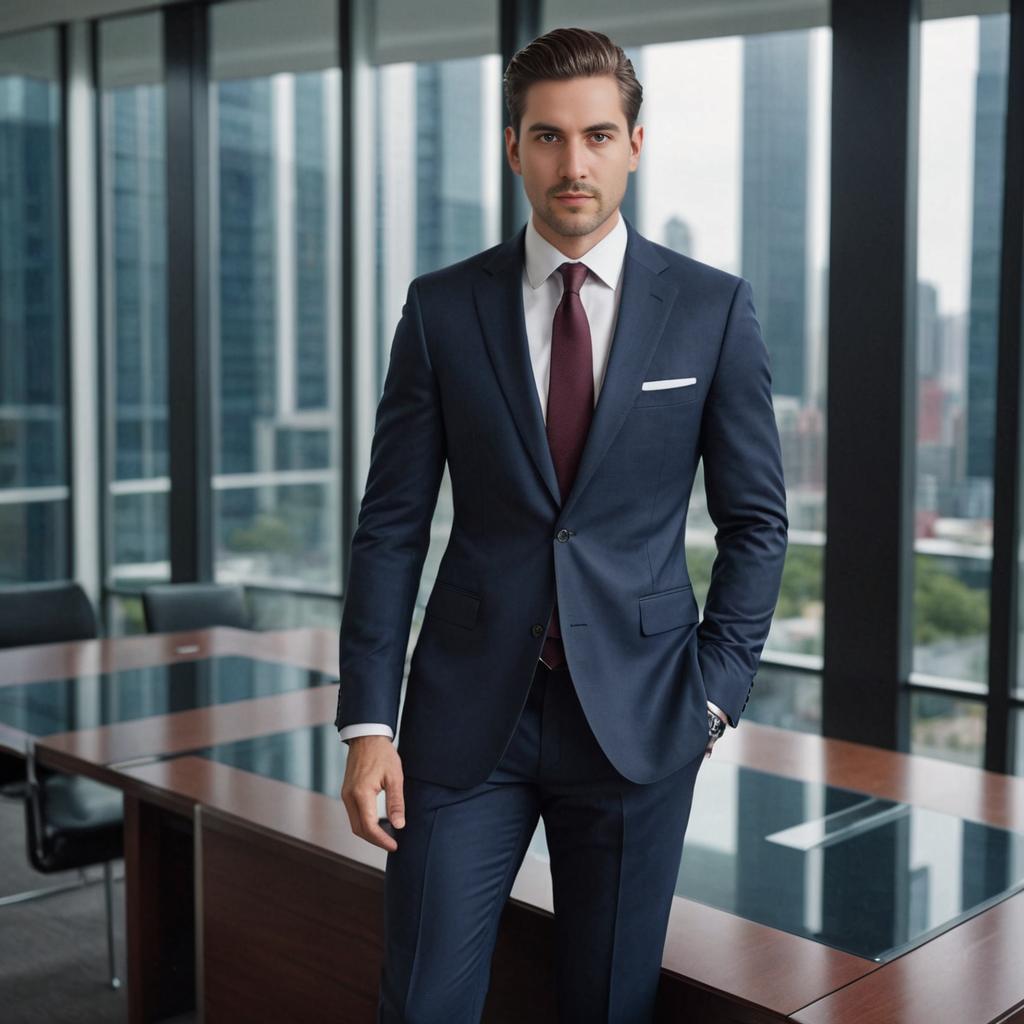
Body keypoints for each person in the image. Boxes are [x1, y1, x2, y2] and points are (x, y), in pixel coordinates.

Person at [337, 25, 788, 1023]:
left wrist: (713, 695)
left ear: (634, 142)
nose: (571, 162)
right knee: (421, 1002)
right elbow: (391, 528)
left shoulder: (712, 312)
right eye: (546, 136)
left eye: (595, 135)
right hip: (461, 728)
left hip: (640, 722)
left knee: (605, 1003)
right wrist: (369, 722)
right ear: (512, 148)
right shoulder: (441, 308)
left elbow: (755, 523)